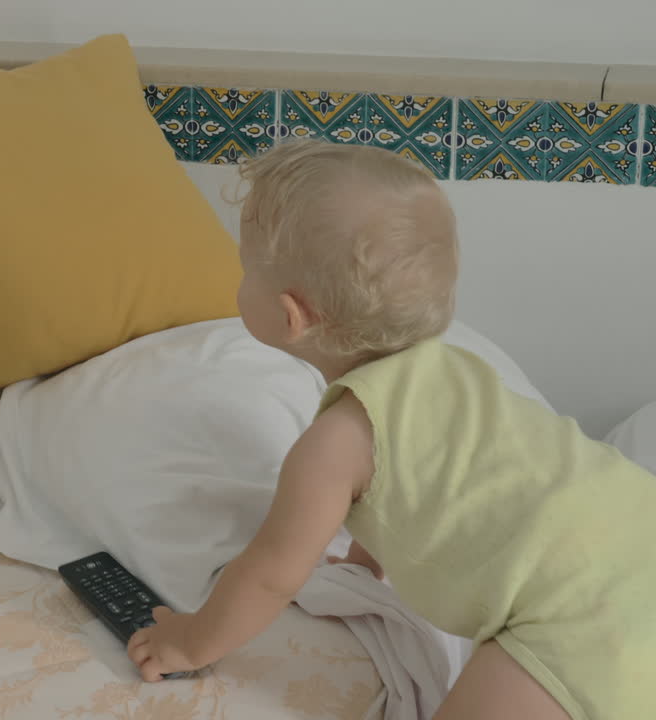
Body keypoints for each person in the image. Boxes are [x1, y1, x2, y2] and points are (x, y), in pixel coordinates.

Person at [127, 139, 655, 719]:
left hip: (571, 617)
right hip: (634, 528)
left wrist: (190, 639)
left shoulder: (333, 447)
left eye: (247, 266)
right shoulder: (458, 368)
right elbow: (427, 476)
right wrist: (364, 562)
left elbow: (270, 575)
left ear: (290, 316)